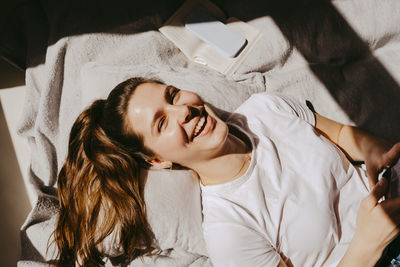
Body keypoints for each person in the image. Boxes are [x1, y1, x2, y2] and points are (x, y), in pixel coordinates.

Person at [54, 77, 400, 266]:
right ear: (157, 161)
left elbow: (339, 134)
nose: (183, 111)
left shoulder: (265, 108)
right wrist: (368, 245)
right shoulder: (229, 230)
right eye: (162, 123)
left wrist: (374, 151)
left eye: (173, 95)